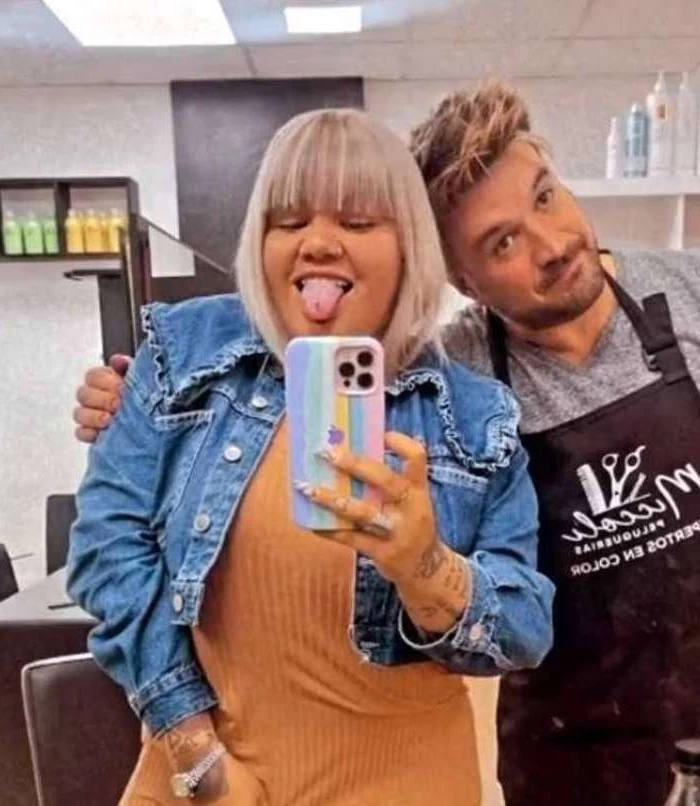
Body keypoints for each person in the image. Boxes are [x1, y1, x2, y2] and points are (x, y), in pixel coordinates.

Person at [78, 82, 700, 806]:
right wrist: (198, 755)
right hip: (574, 747)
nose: (553, 243)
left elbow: (517, 619)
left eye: (545, 196)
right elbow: (109, 545)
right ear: (462, 280)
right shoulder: (199, 360)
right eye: (500, 242)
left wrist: (425, 565)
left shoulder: (484, 396)